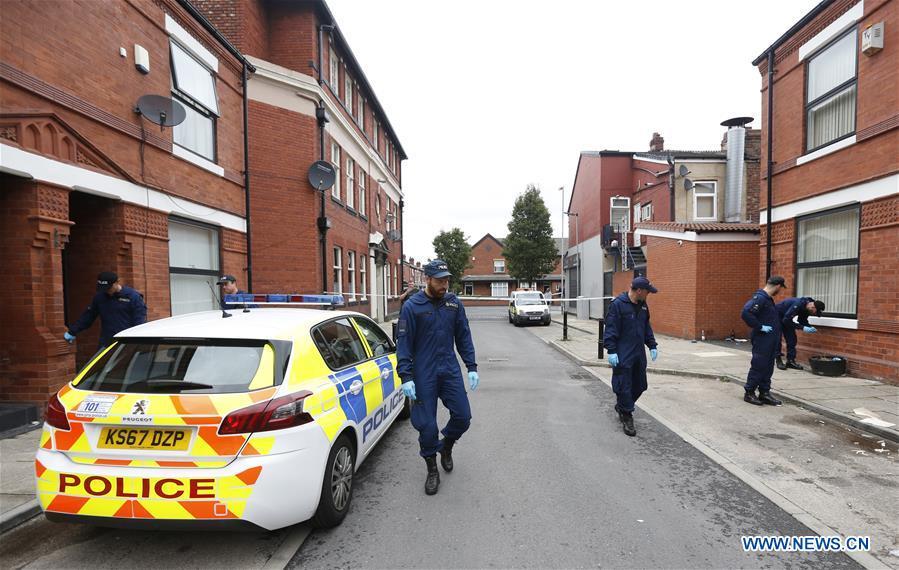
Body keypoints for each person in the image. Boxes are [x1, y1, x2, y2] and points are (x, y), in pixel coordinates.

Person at [396, 259, 479, 495]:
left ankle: (447, 446)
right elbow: (403, 345)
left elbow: (463, 336)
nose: (445, 285)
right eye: (440, 280)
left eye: (447, 280)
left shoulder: (454, 304)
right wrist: (406, 376)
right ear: (428, 279)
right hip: (424, 372)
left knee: (463, 416)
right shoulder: (412, 307)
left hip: (449, 369)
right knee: (427, 425)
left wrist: (471, 366)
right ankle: (432, 468)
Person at [602, 276, 659, 437]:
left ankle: (622, 405)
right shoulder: (618, 305)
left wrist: (652, 345)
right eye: (647, 292)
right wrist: (611, 350)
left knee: (641, 385)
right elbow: (611, 329)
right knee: (624, 385)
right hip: (622, 351)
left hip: (638, 352)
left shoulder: (643, 306)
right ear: (639, 291)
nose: (648, 295)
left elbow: (646, 327)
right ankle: (627, 415)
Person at [64, 271, 147, 350]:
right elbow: (88, 316)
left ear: (117, 282)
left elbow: (139, 321)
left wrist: (136, 341)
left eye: (109, 288)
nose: (107, 291)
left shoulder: (132, 297)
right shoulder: (100, 297)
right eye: (104, 288)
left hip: (126, 342)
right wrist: (73, 331)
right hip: (107, 341)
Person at [740, 276, 787, 406]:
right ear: (778, 286)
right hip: (763, 340)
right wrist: (760, 327)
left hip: (770, 340)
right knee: (759, 365)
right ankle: (749, 393)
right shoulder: (760, 298)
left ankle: (764, 393)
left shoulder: (767, 299)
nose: (780, 291)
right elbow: (746, 313)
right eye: (781, 288)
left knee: (768, 367)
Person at [775, 297, 825, 371]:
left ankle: (790, 361)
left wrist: (809, 327)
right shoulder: (798, 304)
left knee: (792, 339)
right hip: (776, 316)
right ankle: (778, 360)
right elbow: (786, 320)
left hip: (787, 318)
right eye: (815, 312)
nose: (814, 314)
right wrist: (802, 328)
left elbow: (802, 320)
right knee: (777, 339)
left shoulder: (808, 308)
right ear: (813, 307)